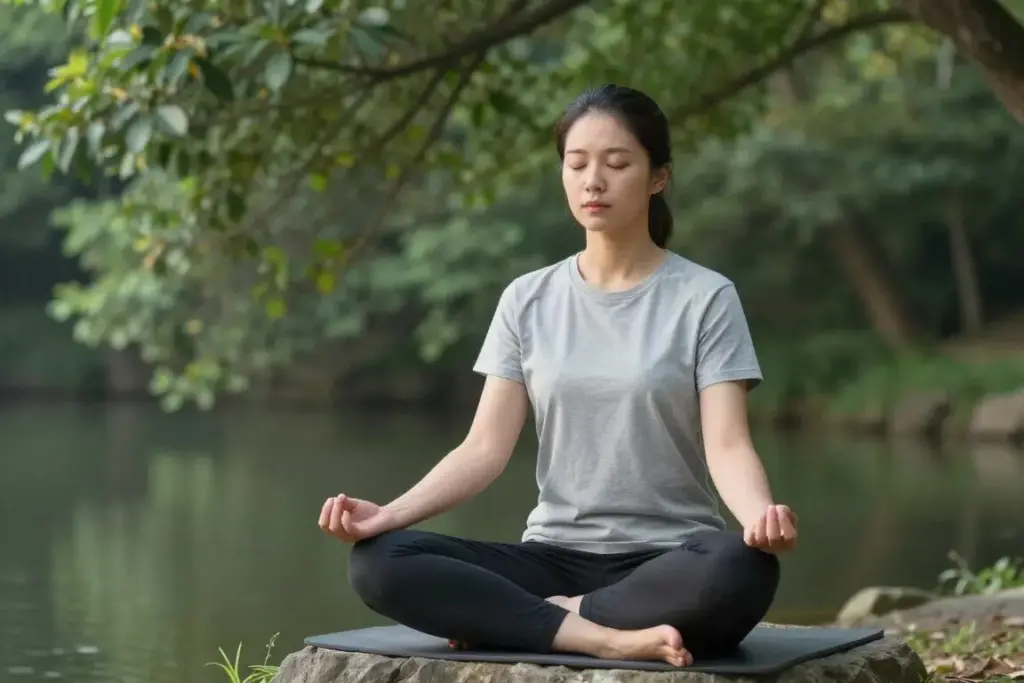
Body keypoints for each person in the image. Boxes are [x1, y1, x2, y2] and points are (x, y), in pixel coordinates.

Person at [318, 84, 798, 668]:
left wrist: (758, 519)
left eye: (617, 163)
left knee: (738, 568)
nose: (594, 180)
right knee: (378, 561)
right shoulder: (527, 299)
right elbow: (484, 449)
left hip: (669, 557)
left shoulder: (705, 298)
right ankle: (600, 635)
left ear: (657, 178)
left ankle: (546, 618)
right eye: (577, 164)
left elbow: (728, 444)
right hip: (551, 554)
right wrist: (388, 515)